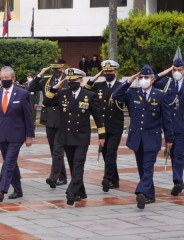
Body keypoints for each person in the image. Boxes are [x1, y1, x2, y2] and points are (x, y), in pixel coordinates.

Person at [112, 65, 173, 209]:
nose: (144, 80)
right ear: (138, 79)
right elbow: (116, 96)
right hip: (136, 138)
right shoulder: (132, 93)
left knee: (148, 166)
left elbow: (167, 119)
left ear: (152, 79)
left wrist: (169, 139)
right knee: (141, 167)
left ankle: (142, 192)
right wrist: (128, 81)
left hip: (152, 137)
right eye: (142, 77)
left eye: (147, 77)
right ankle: (150, 195)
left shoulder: (160, 95)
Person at [43, 68, 105, 205]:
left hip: (82, 136)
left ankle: (71, 192)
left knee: (78, 165)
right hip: (66, 136)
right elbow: (46, 103)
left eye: (74, 80)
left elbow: (98, 116)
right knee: (72, 165)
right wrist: (54, 88)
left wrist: (102, 134)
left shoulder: (89, 95)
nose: (71, 83)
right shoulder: (62, 94)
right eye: (69, 80)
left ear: (81, 80)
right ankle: (81, 192)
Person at [0, 66, 35, 202]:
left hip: (17, 134)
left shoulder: (22, 93)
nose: (4, 80)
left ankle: (2, 189)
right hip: (2, 134)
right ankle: (18, 190)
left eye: (7, 78)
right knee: (11, 163)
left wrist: (29, 136)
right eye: (2, 78)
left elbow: (28, 117)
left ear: (13, 79)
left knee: (8, 162)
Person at [84, 60, 124, 192]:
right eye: (105, 71)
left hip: (116, 126)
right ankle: (115, 179)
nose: (108, 74)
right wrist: (96, 76)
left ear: (116, 72)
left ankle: (107, 179)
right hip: (102, 126)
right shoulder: (99, 86)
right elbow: (86, 89)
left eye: (110, 71)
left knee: (111, 152)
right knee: (106, 153)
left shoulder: (121, 86)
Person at [28, 58, 68, 189]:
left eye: (57, 69)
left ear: (62, 68)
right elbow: (31, 87)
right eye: (53, 69)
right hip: (50, 119)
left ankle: (53, 178)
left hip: (62, 119)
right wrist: (39, 75)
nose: (55, 71)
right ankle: (62, 176)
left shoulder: (68, 80)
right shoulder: (46, 80)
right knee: (54, 150)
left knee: (57, 150)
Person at [152, 57, 184, 196]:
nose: (177, 72)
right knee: (174, 154)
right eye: (175, 69)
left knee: (179, 154)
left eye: (179, 70)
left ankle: (178, 181)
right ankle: (178, 182)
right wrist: (164, 72)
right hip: (170, 127)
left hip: (183, 126)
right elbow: (152, 80)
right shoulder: (167, 82)